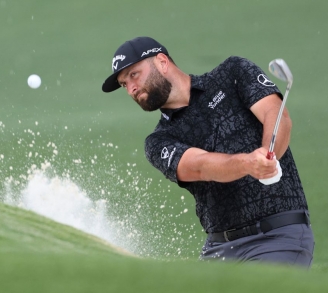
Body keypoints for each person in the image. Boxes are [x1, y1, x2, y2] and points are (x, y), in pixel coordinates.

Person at [102, 36, 314, 267]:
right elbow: (200, 166)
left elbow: (276, 114)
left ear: (162, 62)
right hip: (219, 248)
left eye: (134, 74)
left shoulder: (232, 74)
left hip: (278, 235)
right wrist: (249, 163)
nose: (131, 88)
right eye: (124, 84)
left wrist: (267, 152)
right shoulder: (158, 141)